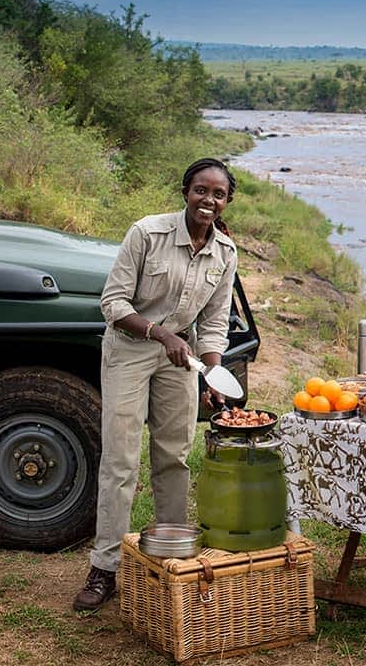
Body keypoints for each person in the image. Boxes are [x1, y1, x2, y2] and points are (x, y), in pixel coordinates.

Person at [73, 158, 238, 611]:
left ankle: (172, 561)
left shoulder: (225, 253)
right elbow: (113, 302)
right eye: (201, 190)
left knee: (175, 457)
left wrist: (212, 370)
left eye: (218, 194)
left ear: (227, 203)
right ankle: (104, 568)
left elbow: (214, 321)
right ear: (186, 191)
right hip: (130, 347)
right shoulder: (147, 232)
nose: (208, 200)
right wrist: (159, 333)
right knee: (121, 460)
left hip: (179, 357)